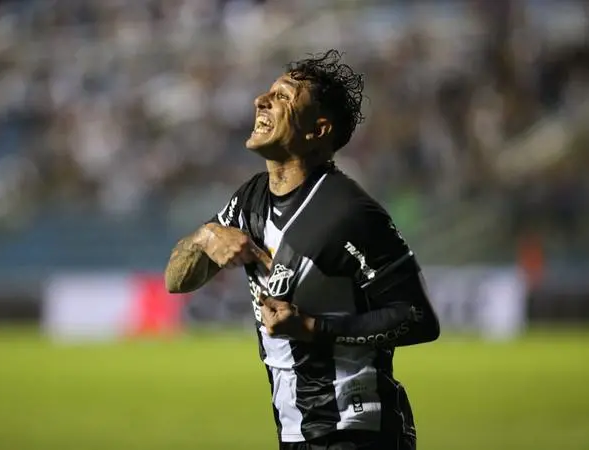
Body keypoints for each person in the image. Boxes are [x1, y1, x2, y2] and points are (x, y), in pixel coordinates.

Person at [164, 49, 440, 450]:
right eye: (267, 92)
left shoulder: (348, 212)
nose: (261, 101)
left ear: (318, 130)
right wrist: (205, 236)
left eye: (283, 97)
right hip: (296, 433)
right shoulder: (250, 200)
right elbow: (176, 281)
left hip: (356, 428)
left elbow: (418, 319)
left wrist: (311, 327)